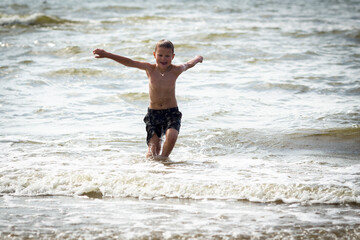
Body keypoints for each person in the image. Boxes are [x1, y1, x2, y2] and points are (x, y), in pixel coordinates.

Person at [93, 39, 203, 160]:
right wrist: (107, 54)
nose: (163, 59)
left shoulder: (175, 70)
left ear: (173, 56)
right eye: (160, 55)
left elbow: (188, 64)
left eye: (167, 56)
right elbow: (129, 62)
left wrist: (197, 58)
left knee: (172, 136)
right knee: (152, 151)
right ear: (154, 55)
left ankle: (164, 160)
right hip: (153, 114)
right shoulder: (150, 69)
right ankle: (151, 170)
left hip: (171, 112)